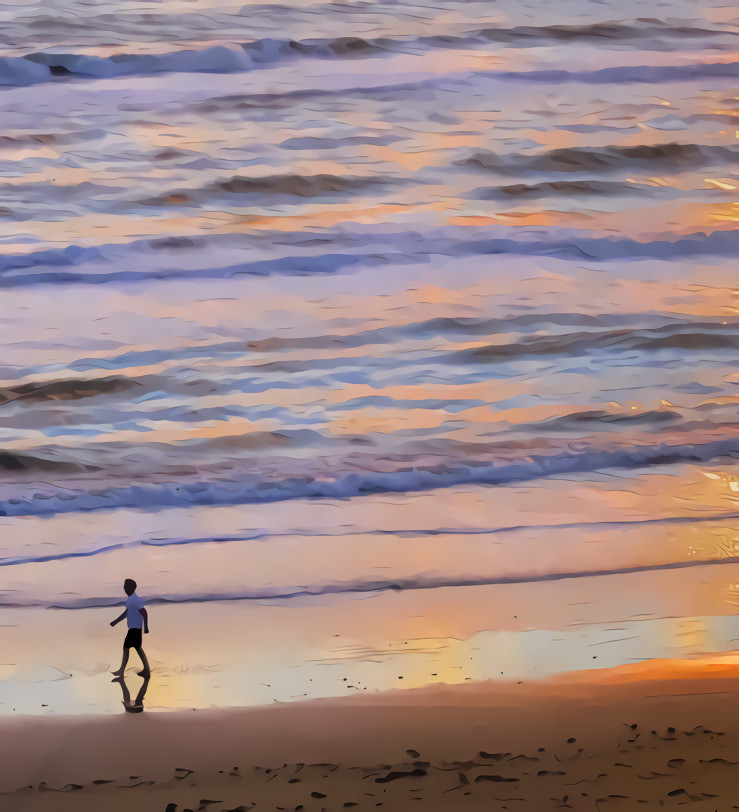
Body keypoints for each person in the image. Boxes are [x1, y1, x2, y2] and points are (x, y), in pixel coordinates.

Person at [110, 578, 150, 677]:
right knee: (137, 648)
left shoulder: (135, 600)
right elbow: (127, 613)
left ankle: (122, 671)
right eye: (124, 587)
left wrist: (146, 627)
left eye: (126, 587)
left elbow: (144, 612)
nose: (124, 589)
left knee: (127, 648)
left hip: (135, 629)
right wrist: (116, 621)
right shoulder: (130, 600)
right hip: (133, 629)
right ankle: (146, 670)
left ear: (131, 588)